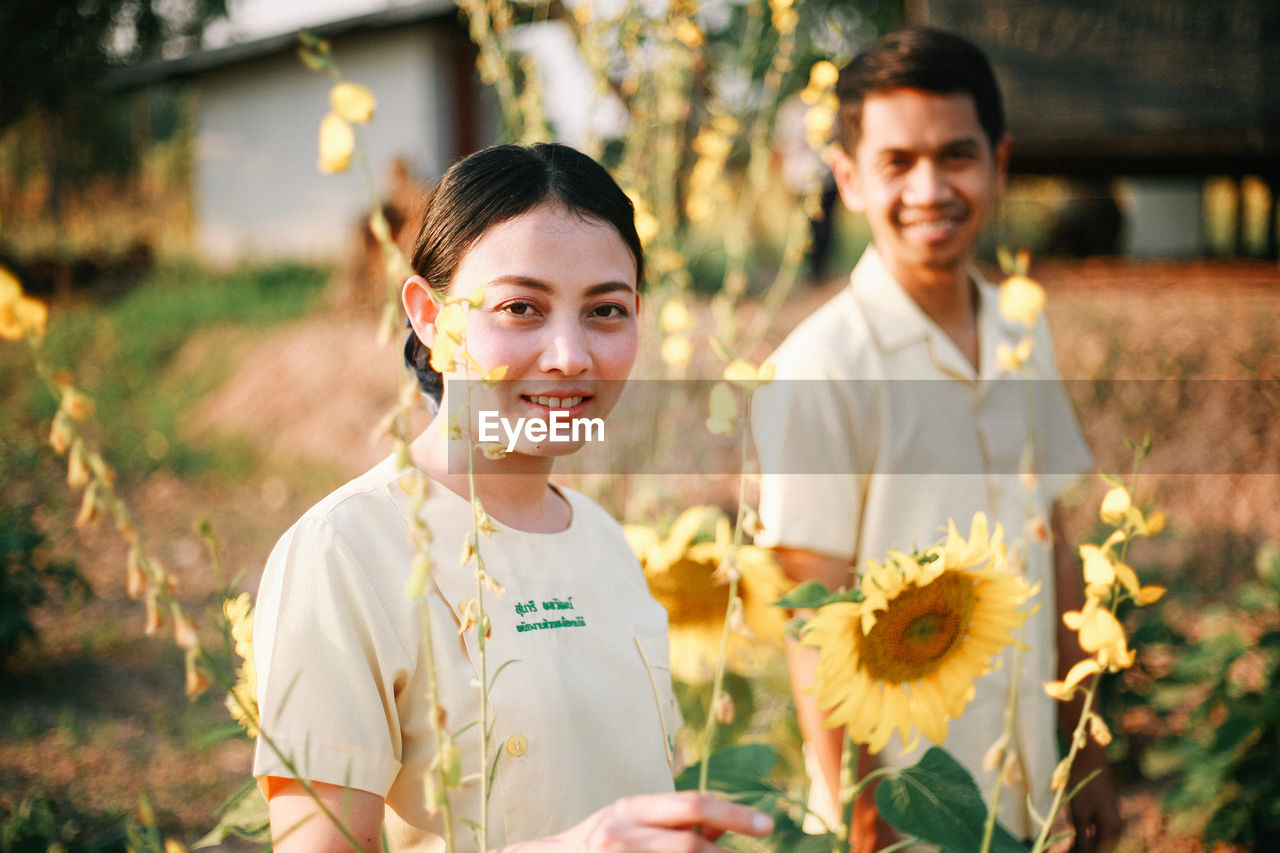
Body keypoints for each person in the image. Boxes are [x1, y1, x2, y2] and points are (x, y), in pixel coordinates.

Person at [252, 143, 774, 852]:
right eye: (521, 307)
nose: (570, 354)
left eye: (606, 310)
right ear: (429, 319)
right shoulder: (345, 552)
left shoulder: (604, 541)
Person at [751, 27, 1122, 851]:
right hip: (908, 802)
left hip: (1028, 773)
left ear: (1000, 161)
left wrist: (1086, 747)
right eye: (897, 162)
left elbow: (1054, 542)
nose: (930, 187)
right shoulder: (818, 367)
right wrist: (861, 807)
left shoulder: (1022, 328)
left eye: (957, 155)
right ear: (847, 177)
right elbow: (813, 611)